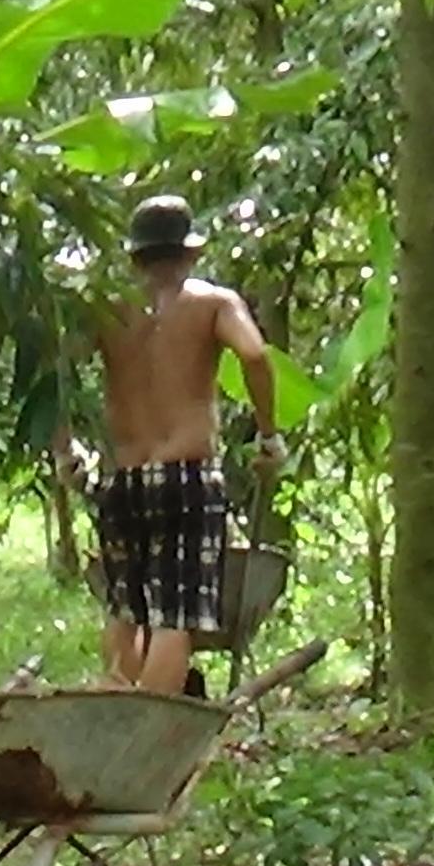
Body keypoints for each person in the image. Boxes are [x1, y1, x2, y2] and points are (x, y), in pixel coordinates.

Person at [80, 193, 284, 696]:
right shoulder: (213, 304)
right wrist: (268, 434)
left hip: (123, 478)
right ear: (192, 252)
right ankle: (147, 730)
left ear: (134, 258)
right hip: (185, 477)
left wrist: (66, 449)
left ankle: (111, 712)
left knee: (125, 609)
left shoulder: (106, 310)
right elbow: (255, 355)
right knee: (176, 615)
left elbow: (53, 369)